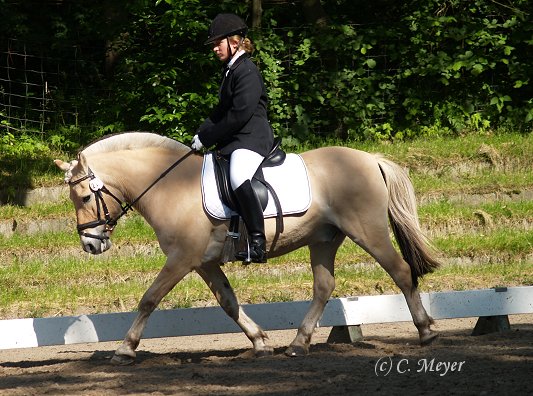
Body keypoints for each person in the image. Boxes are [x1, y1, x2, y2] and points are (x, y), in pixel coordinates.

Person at [191, 13, 274, 263]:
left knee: (238, 176)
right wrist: (200, 134)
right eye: (214, 44)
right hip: (236, 138)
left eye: (219, 43)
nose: (215, 49)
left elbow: (239, 115)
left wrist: (209, 138)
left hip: (252, 137)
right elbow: (220, 112)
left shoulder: (246, 71)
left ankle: (258, 241)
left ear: (234, 42)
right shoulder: (231, 70)